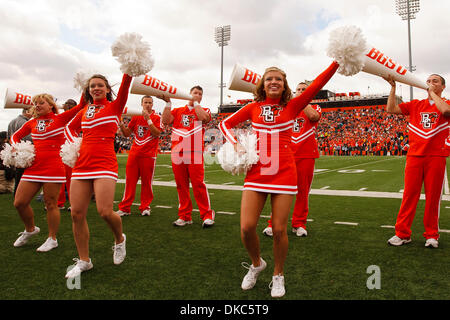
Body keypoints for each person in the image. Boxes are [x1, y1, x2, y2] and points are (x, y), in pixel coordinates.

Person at [219, 62, 338, 297]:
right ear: (262, 84)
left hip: (284, 171)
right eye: (269, 79)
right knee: (246, 227)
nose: (274, 82)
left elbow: (317, 84)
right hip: (257, 171)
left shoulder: (294, 106)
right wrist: (237, 144)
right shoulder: (253, 107)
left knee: (280, 230)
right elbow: (225, 124)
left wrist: (336, 61)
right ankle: (256, 264)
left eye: (279, 80)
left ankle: (278, 274)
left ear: (285, 86)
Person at [64, 73, 131, 278]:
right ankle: (84, 261)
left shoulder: (115, 106)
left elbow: (127, 82)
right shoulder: (84, 110)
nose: (96, 88)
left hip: (104, 163)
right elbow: (69, 128)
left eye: (100, 85)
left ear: (108, 89)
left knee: (104, 211)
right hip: (82, 164)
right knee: (76, 214)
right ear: (88, 90)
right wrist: (73, 147)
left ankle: (119, 239)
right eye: (92, 86)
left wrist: (129, 63)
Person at [10, 93, 85, 252]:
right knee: (19, 202)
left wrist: (85, 86)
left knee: (51, 204)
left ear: (51, 105)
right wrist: (16, 146)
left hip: (53, 166)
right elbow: (15, 136)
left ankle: (52, 238)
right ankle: (30, 229)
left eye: (41, 103)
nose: (37, 105)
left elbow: (80, 106)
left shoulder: (60, 118)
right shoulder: (32, 122)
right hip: (34, 167)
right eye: (35, 103)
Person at [385, 74, 450, 248]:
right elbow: (391, 109)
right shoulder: (415, 105)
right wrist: (392, 89)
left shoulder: (446, 103)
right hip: (414, 155)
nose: (430, 83)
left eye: (435, 81)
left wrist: (433, 93)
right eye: (428, 81)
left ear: (443, 87)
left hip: (436, 156)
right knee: (409, 196)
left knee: (433, 198)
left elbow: (445, 112)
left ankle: (431, 235)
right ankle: (403, 233)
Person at [262, 82, 321, 238]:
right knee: (278, 191)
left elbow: (313, 116)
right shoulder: (286, 108)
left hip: (306, 155)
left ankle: (299, 224)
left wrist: (302, 100)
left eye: (304, 90)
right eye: (298, 90)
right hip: (285, 154)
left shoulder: (314, 107)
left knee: (302, 192)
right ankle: (273, 224)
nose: (300, 92)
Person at [161, 86, 215, 228]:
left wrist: (196, 103)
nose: (197, 95)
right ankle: (185, 216)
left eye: (200, 94)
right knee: (181, 185)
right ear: (189, 94)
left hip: (195, 153)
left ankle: (207, 215)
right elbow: (166, 121)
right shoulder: (178, 111)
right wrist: (167, 104)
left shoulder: (204, 110)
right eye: (195, 93)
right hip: (177, 152)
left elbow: (203, 118)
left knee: (198, 184)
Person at [117, 95, 162, 216]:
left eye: (150, 102)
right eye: (145, 102)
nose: (147, 104)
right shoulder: (136, 116)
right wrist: (121, 123)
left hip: (149, 155)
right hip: (134, 153)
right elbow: (127, 134)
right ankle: (125, 207)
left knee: (146, 183)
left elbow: (156, 133)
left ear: (152, 104)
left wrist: (148, 119)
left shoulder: (157, 117)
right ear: (141, 104)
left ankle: (145, 207)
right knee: (130, 181)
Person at [57, 99, 78, 210]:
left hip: (71, 150)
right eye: (67, 104)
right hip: (60, 150)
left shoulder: (77, 117)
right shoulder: (59, 118)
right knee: (59, 178)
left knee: (71, 180)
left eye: (72, 105)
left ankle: (73, 204)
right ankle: (59, 202)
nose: (69, 106)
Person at [7, 108, 33, 195]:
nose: (33, 114)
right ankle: (21, 194)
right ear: (27, 112)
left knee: (18, 174)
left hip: (14, 150)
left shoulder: (12, 121)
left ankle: (17, 193)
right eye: (32, 111)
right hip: (24, 152)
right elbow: (28, 138)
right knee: (23, 175)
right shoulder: (25, 122)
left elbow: (8, 137)